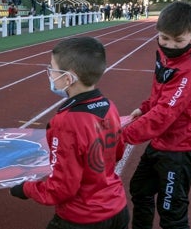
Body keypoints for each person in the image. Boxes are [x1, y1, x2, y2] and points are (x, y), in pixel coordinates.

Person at [9, 37, 129, 229]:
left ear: (68, 78)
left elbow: (62, 188)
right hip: (117, 208)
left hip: (82, 217)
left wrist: (26, 189)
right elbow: (117, 152)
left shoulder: (66, 122)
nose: (50, 74)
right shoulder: (109, 106)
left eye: (52, 68)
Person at [122, 1, 191, 229]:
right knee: (140, 190)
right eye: (164, 38)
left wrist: (122, 135)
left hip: (182, 147)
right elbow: (161, 93)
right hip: (163, 141)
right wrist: (145, 107)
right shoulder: (164, 54)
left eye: (179, 41)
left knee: (171, 213)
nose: (170, 45)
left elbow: (164, 114)